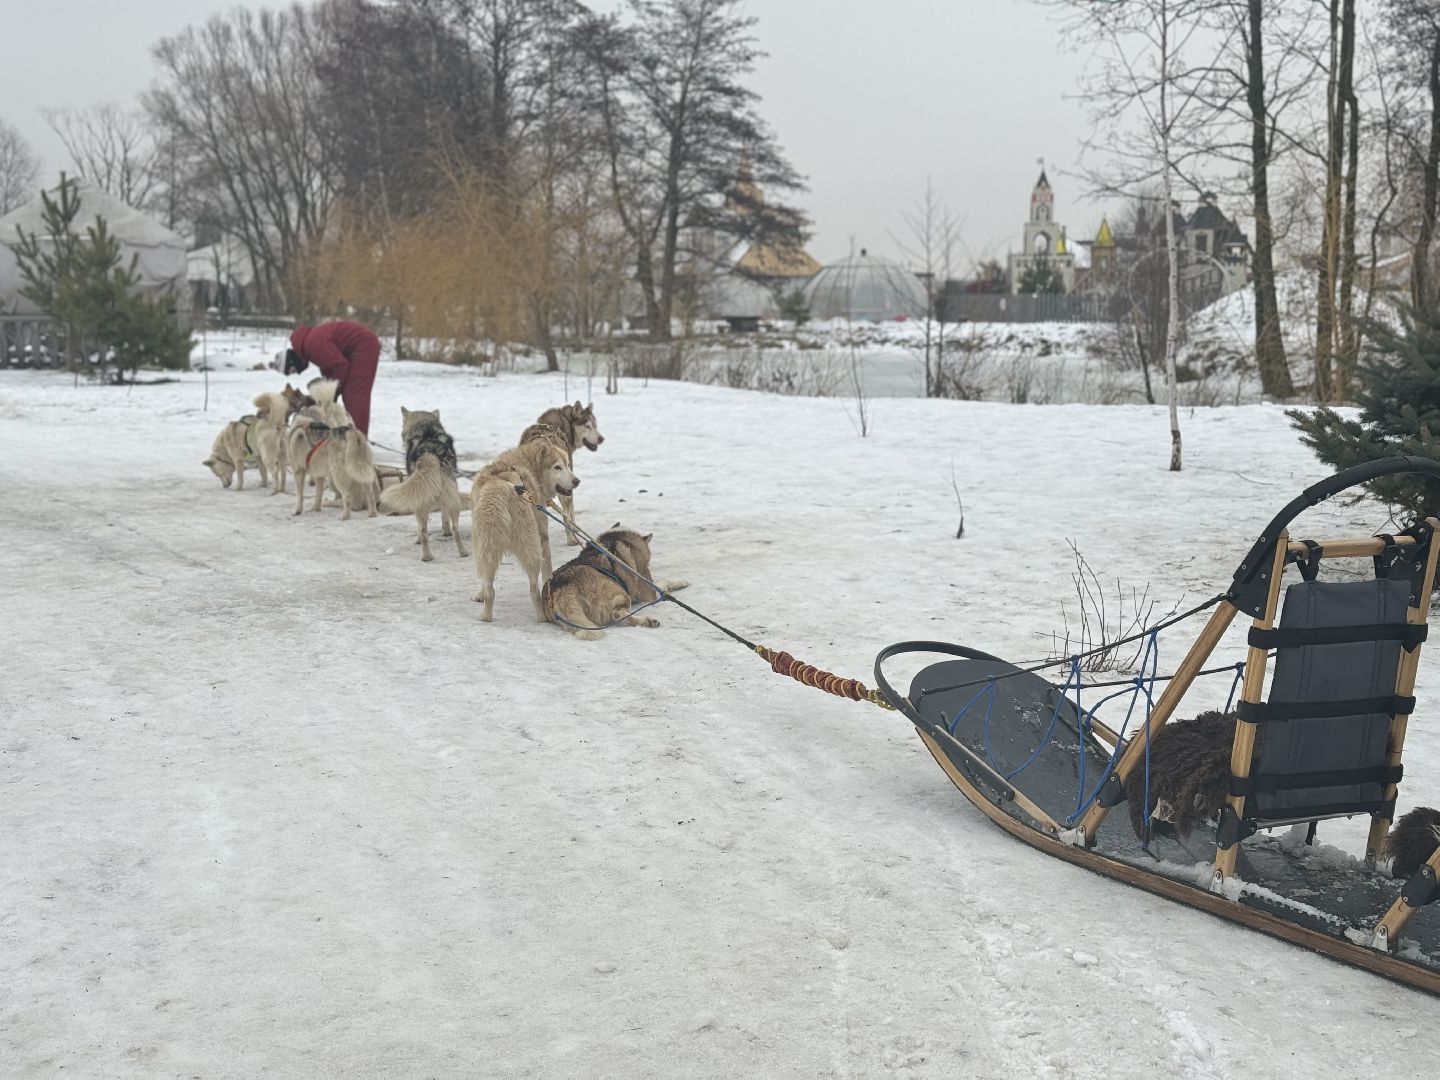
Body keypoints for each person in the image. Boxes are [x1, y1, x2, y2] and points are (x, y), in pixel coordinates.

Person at [273, 321, 381, 435]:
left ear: (292, 361)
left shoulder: (312, 344)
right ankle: (351, 436)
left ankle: (358, 442)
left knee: (354, 395)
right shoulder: (309, 345)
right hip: (356, 347)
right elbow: (329, 368)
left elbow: (340, 366)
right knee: (349, 393)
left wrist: (333, 392)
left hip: (363, 345)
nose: (298, 373)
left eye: (293, 370)